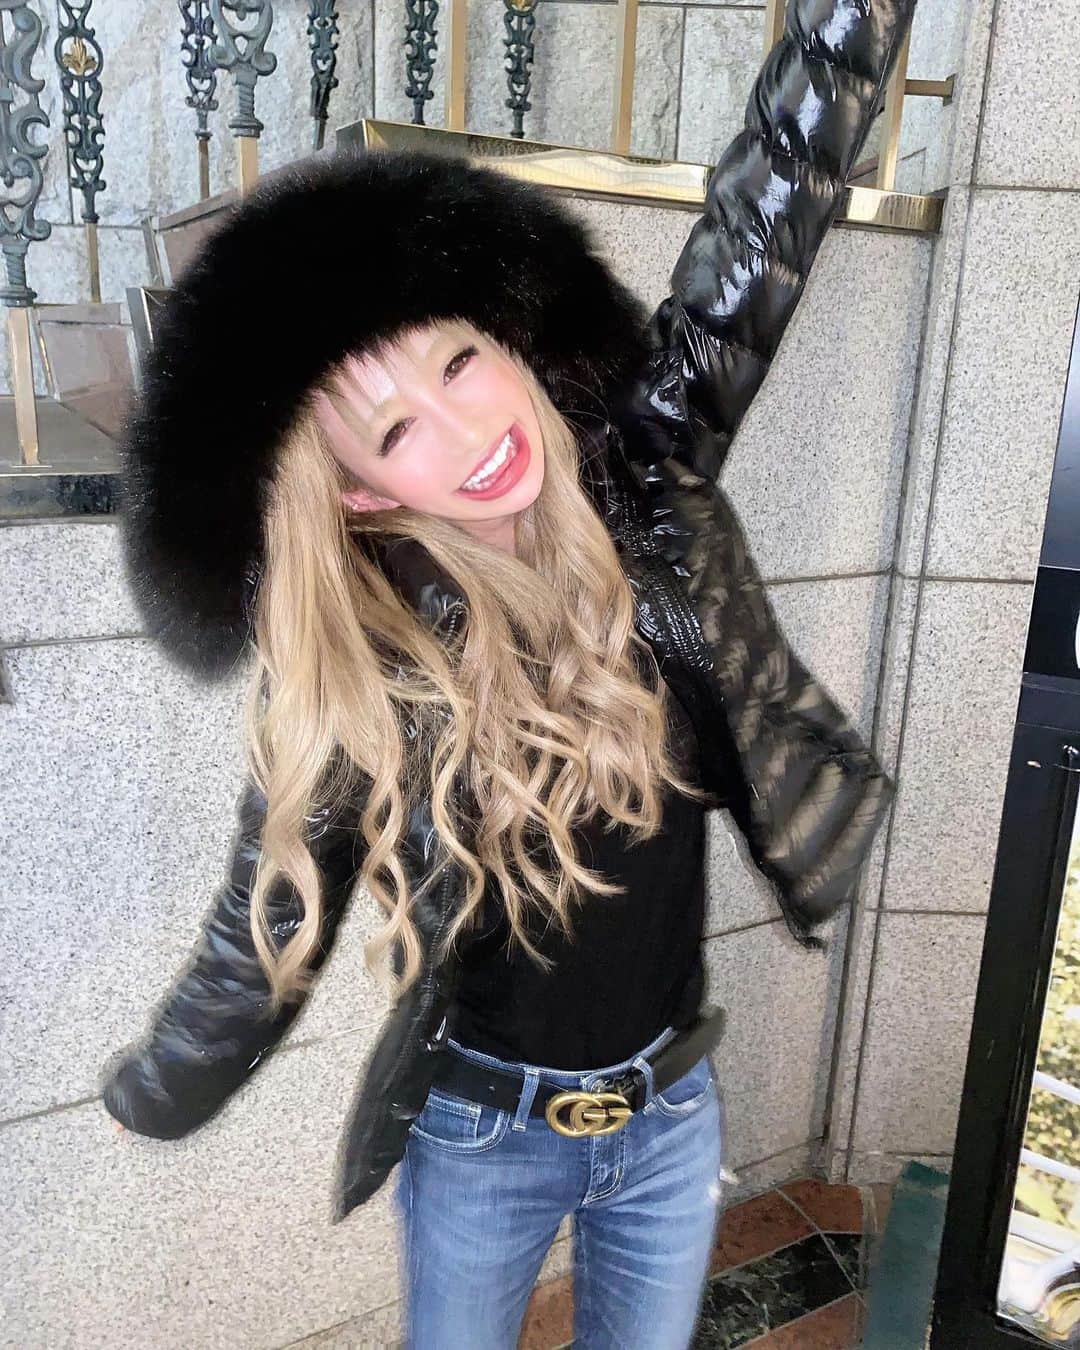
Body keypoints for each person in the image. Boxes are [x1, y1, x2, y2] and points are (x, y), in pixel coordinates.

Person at [100, 1, 915, 1344]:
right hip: (483, 1135)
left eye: (463, 360)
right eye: (398, 430)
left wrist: (855, 22)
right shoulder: (369, 674)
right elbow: (265, 923)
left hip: (670, 1113)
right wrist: (156, 1089)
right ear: (360, 494)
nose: (469, 425)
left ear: (508, 340)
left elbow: (765, 222)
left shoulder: (643, 482)